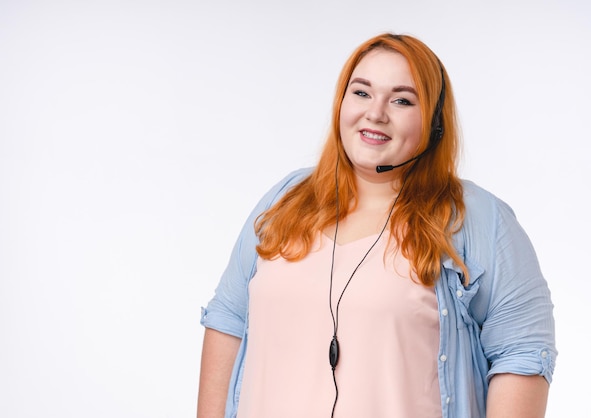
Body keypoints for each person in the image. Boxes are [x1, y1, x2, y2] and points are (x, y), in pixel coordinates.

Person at [197, 33, 556, 418]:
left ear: (434, 122)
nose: (376, 113)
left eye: (402, 100)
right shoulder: (285, 199)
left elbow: (520, 354)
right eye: (362, 93)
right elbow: (228, 322)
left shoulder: (480, 219)